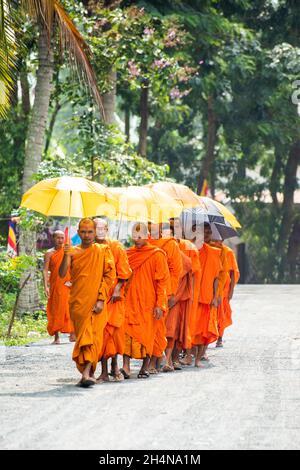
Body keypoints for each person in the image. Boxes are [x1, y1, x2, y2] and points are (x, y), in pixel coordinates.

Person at [59, 218, 116, 388]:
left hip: (95, 301)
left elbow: (109, 276)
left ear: (95, 232)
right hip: (78, 302)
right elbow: (62, 274)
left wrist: (100, 299)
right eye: (83, 232)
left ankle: (86, 373)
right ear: (78, 233)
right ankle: (88, 374)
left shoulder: (103, 250)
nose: (87, 235)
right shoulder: (73, 251)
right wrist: (65, 255)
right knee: (83, 338)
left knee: (93, 337)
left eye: (90, 231)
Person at [121, 222, 169, 379]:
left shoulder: (157, 254)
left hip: (149, 301)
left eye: (140, 235)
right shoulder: (128, 254)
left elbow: (162, 282)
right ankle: (126, 367)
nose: (137, 239)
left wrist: (160, 304)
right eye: (134, 236)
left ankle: (145, 367)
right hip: (129, 299)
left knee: (147, 334)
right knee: (127, 332)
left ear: (147, 235)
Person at [94, 218, 132, 382]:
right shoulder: (90, 248)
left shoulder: (116, 246)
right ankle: (103, 370)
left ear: (107, 229)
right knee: (100, 333)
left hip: (113, 297)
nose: (98, 230)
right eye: (94, 227)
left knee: (114, 333)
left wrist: (117, 289)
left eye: (101, 227)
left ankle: (114, 366)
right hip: (95, 296)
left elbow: (124, 273)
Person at [148, 222, 183, 373]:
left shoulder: (171, 245)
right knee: (148, 327)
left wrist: (172, 292)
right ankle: (150, 361)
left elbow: (176, 271)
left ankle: (155, 362)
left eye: (156, 226)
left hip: (164, 291)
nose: (152, 228)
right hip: (147, 290)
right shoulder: (145, 242)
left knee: (160, 327)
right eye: (150, 225)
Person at [190, 222, 222, 367]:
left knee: (203, 329)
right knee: (191, 326)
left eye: (204, 232)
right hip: (190, 295)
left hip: (206, 296)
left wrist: (215, 296)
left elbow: (216, 277)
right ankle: (189, 355)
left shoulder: (214, 252)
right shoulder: (188, 249)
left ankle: (198, 357)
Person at [43, 230, 74, 345]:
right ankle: (56, 337)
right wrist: (45, 286)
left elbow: (75, 266)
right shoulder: (49, 253)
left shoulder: (68, 251)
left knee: (70, 308)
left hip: (68, 284)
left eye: (62, 238)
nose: (60, 240)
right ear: (53, 238)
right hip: (55, 284)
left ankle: (72, 333)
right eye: (58, 238)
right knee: (55, 309)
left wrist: (72, 281)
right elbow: (45, 270)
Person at [211, 240, 240, 347]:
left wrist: (231, 290)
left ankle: (220, 337)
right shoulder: (208, 249)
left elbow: (233, 272)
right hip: (210, 287)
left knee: (221, 314)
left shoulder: (227, 252)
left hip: (224, 288)